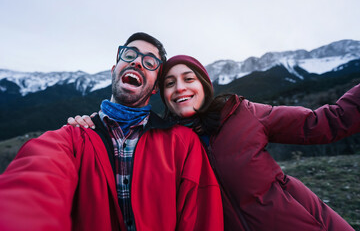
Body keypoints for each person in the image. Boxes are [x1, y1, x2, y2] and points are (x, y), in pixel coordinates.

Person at [70, 54, 359, 231]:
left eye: (188, 79)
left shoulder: (243, 114)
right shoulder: (162, 142)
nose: (180, 88)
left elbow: (325, 123)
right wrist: (92, 123)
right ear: (162, 94)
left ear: (204, 85)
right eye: (170, 83)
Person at [0, 36, 224, 231]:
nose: (136, 61)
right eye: (129, 55)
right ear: (113, 70)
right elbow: (36, 178)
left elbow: (202, 219)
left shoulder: (183, 143)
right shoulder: (73, 137)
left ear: (156, 87)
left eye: (150, 62)